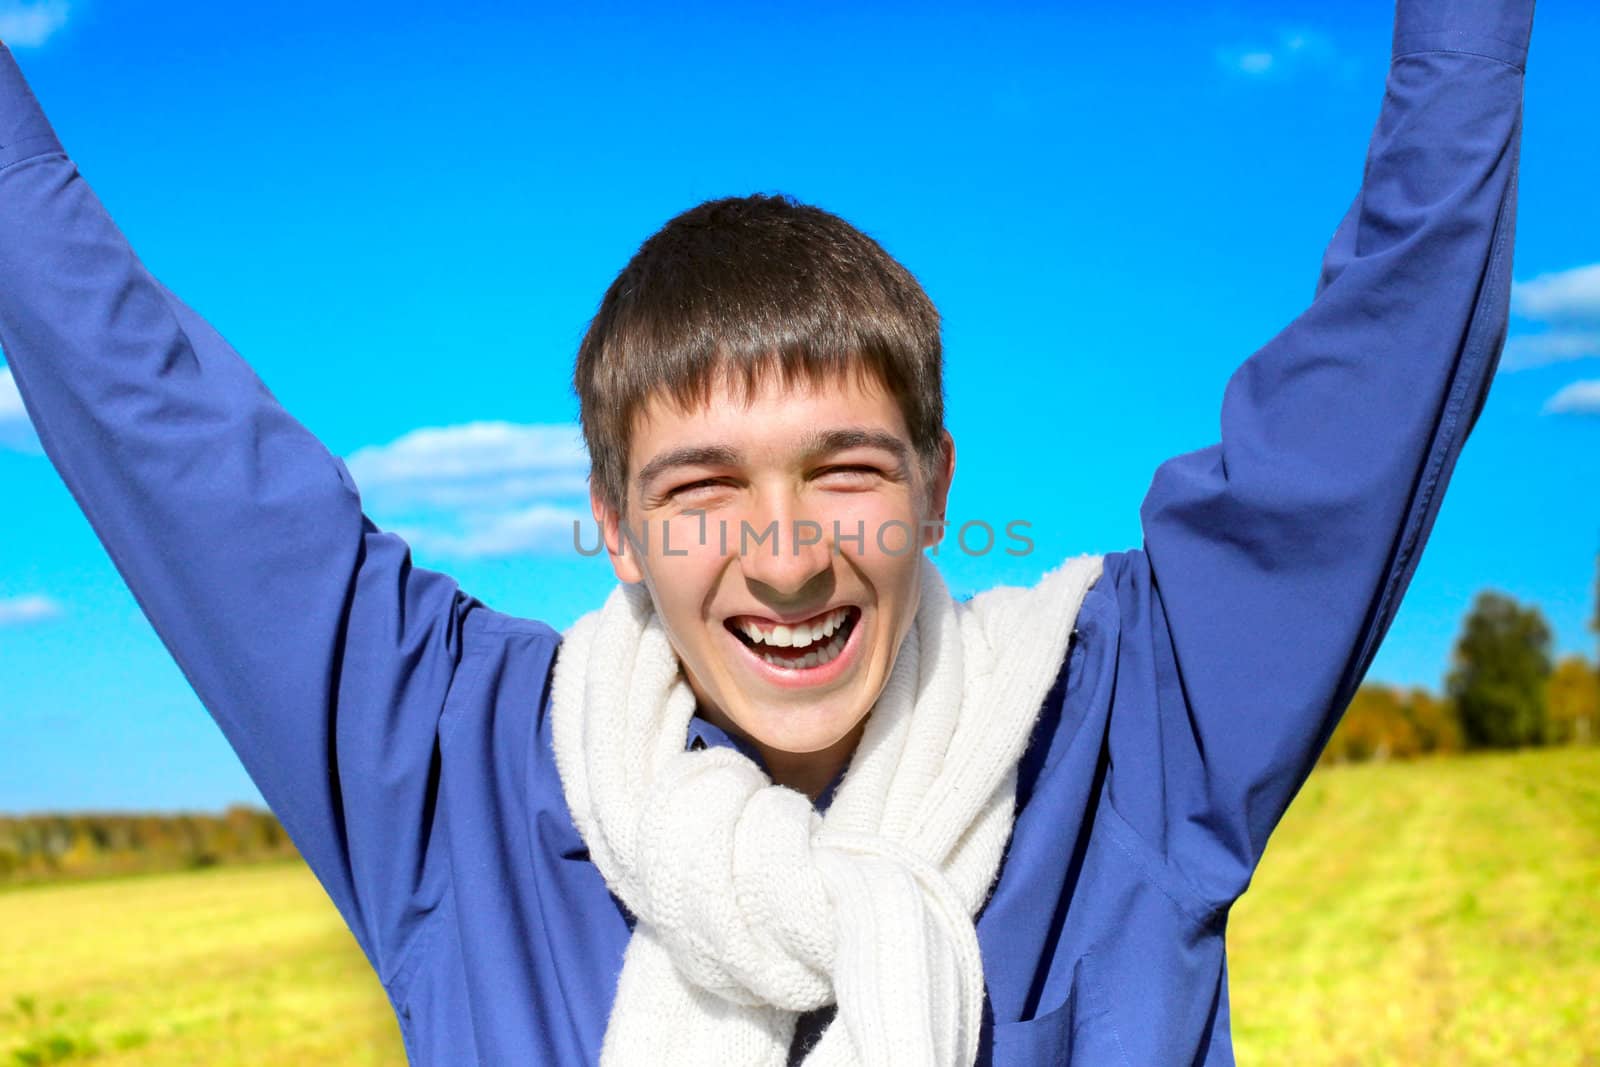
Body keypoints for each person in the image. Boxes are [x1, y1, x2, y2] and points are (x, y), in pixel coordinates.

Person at [0, 0, 1536, 1062]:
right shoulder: (455, 772)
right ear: (612, 523)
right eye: (701, 491)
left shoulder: (1131, 723)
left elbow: (1396, 337)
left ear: (939, 484)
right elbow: (149, 413)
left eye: (847, 471)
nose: (786, 553)